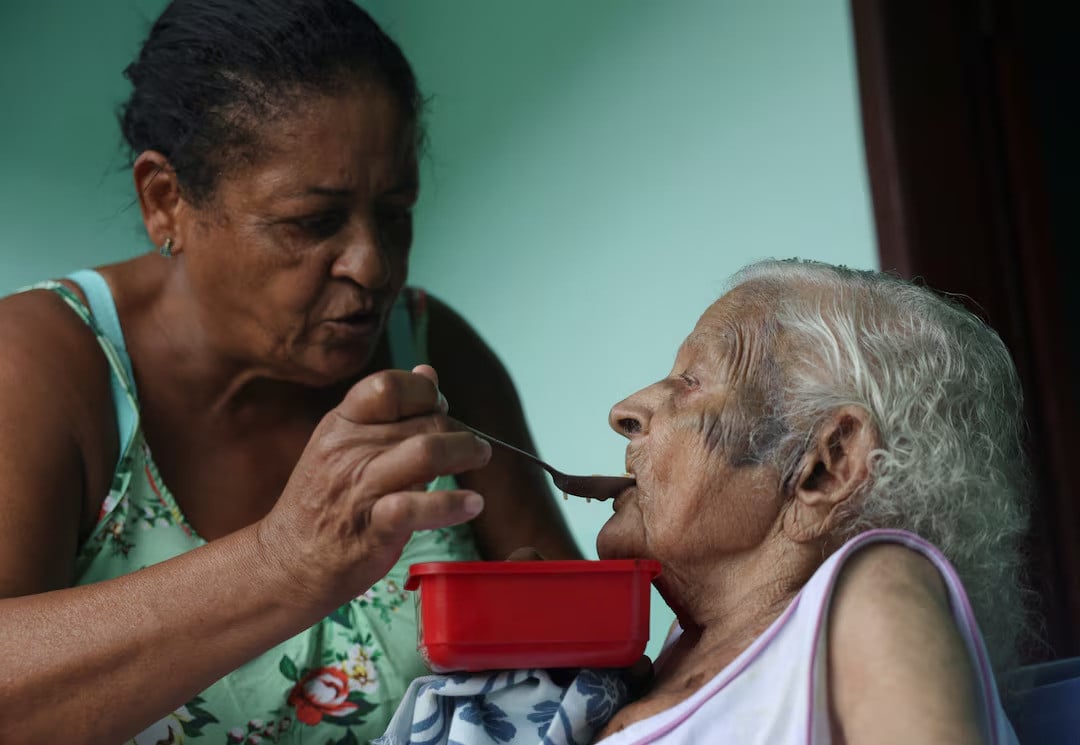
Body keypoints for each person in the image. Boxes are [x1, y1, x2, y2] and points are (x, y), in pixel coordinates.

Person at [0, 2, 579, 743]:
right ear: (165, 200)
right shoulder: (46, 367)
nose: (372, 265)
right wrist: (282, 563)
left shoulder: (430, 352)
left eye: (396, 211)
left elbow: (582, 675)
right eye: (312, 222)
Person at [590, 259, 1028, 744]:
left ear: (826, 464)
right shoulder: (663, 657)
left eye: (692, 382)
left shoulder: (875, 589)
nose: (625, 411)